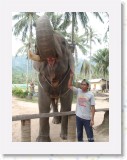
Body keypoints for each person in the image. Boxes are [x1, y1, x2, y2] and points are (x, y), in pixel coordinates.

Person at [68, 72, 95, 142]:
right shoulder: (78, 91)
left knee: (90, 135)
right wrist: (71, 77)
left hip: (87, 119)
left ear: (88, 86)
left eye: (84, 84)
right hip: (78, 117)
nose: (82, 86)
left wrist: (92, 119)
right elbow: (69, 86)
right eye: (81, 84)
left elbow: (93, 108)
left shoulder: (91, 95)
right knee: (79, 135)